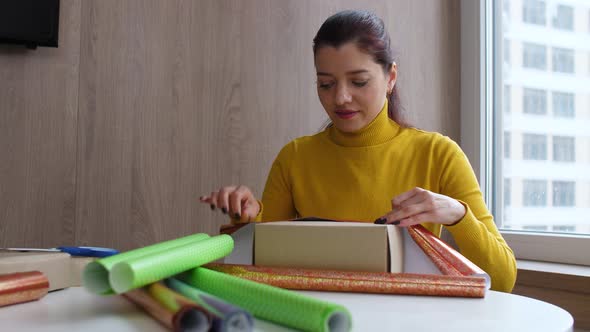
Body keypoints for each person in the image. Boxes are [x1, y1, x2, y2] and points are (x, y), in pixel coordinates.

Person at [200, 10, 516, 292]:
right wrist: (249, 218)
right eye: (326, 84)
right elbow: (259, 272)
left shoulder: (438, 154)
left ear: (390, 77)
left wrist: (459, 215)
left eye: (359, 82)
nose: (340, 98)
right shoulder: (295, 158)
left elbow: (502, 279)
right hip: (318, 319)